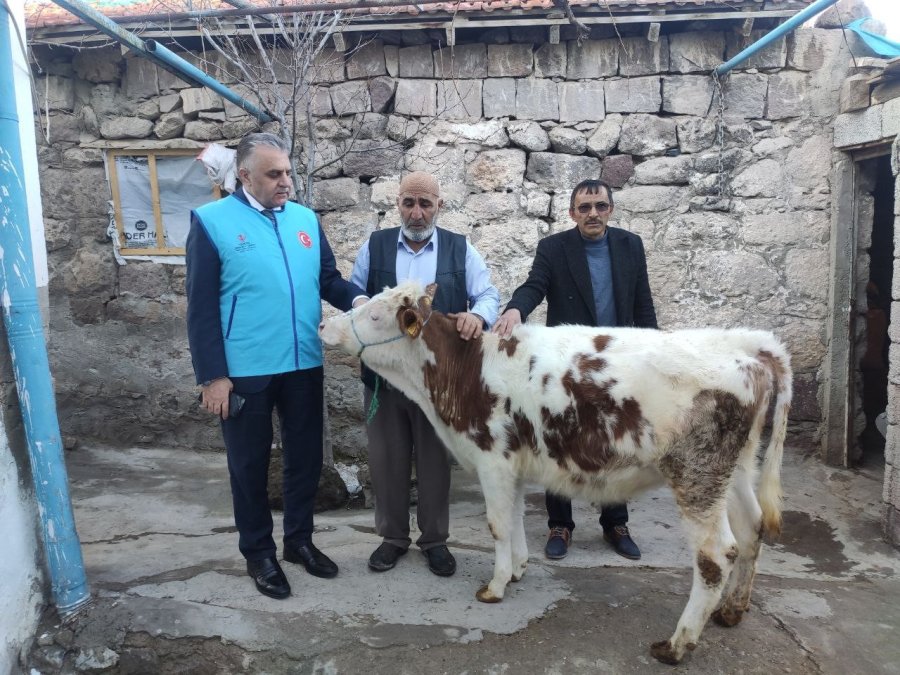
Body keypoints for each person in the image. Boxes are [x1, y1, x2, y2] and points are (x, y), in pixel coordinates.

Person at [186, 132, 366, 599]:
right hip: (243, 369)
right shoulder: (212, 222)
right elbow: (201, 306)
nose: (285, 181)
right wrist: (212, 376)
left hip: (303, 361)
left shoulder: (305, 219)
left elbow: (327, 280)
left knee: (304, 461)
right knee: (248, 465)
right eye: (274, 174)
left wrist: (363, 302)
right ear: (244, 175)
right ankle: (259, 554)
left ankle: (299, 543)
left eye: (287, 171)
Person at [493, 178, 657, 561]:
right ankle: (560, 525)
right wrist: (517, 309)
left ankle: (615, 522)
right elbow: (535, 284)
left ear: (611, 209)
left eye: (600, 206)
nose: (593, 214)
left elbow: (643, 303)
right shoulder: (554, 248)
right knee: (561, 441)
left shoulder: (630, 246)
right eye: (584, 208)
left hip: (618, 362)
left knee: (617, 442)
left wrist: (655, 351)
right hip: (568, 365)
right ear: (572, 213)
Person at [350, 171, 500, 577]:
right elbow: (353, 290)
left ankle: (435, 541)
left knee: (435, 462)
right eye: (408, 203)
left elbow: (488, 295)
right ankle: (393, 538)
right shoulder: (376, 245)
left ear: (439, 206)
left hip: (437, 381)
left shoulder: (460, 248)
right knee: (386, 458)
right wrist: (368, 305)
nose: (416, 213)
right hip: (385, 376)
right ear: (397, 203)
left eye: (425, 204)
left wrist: (477, 316)